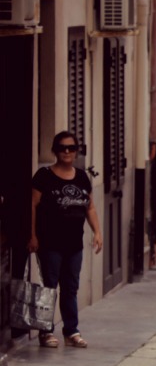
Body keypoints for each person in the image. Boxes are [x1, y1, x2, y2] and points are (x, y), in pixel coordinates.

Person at [28, 131, 102, 348]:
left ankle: (71, 331)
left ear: (77, 151)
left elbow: (90, 207)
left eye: (71, 148)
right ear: (55, 150)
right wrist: (32, 235)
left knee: (70, 287)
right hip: (49, 243)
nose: (67, 152)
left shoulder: (81, 177)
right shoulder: (43, 176)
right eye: (62, 148)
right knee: (50, 287)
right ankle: (46, 331)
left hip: (74, 244)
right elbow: (31, 206)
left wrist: (97, 232)